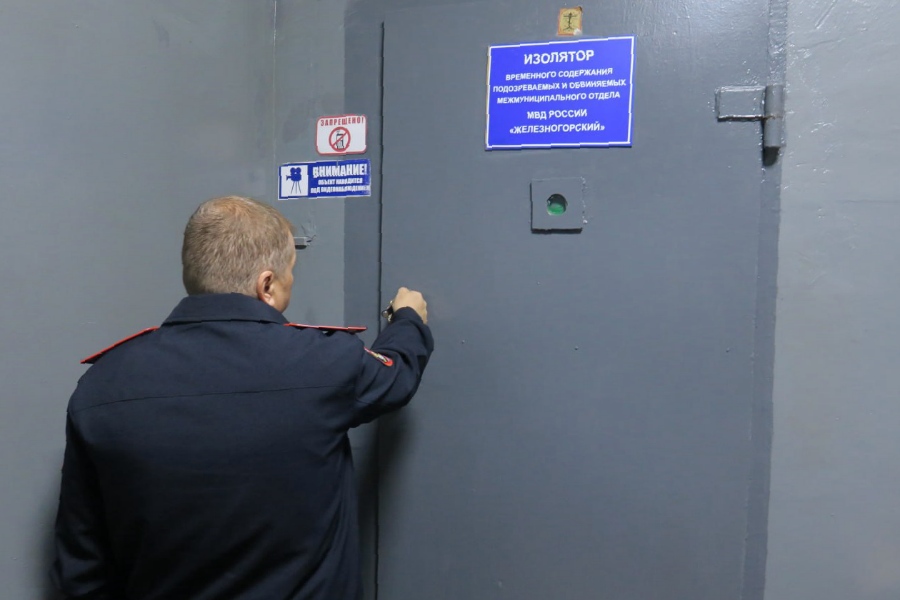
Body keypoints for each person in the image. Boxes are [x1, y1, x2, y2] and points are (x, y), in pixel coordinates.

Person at [51, 196, 433, 600]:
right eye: (289, 273)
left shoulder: (102, 384)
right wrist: (407, 318)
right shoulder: (324, 362)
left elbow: (82, 562)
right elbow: (397, 372)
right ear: (266, 285)